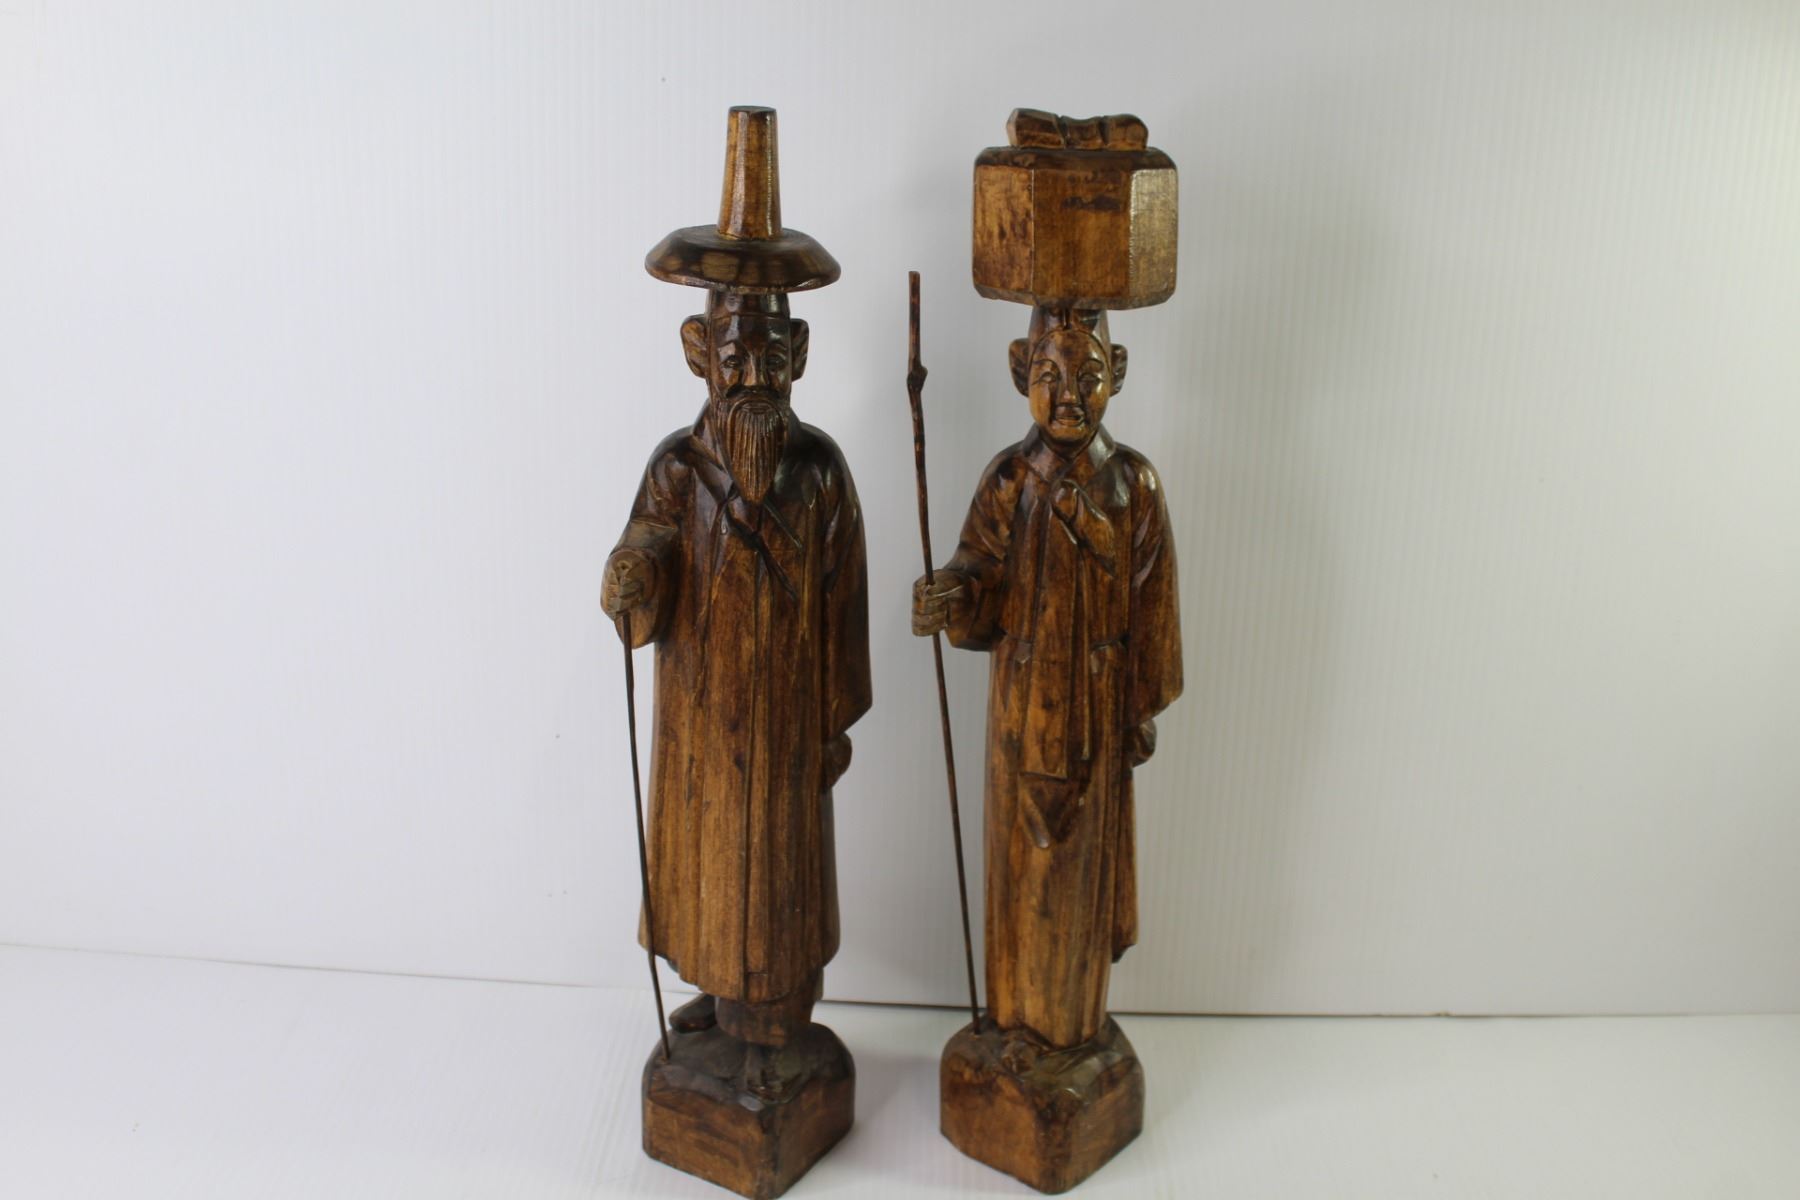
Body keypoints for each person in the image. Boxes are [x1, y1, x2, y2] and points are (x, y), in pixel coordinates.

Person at [604, 286, 870, 1091]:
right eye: (733, 359)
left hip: (788, 720)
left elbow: (845, 601)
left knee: (778, 874)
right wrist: (633, 572)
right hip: (701, 719)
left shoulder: (817, 471)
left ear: (801, 355)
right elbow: (647, 545)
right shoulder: (678, 470)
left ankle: (772, 1021)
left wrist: (834, 720)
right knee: (704, 859)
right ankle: (718, 988)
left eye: (773, 358)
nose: (754, 378)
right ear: (698, 354)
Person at [912, 305, 1182, 1050]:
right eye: (1047, 375)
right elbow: (977, 568)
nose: (1068, 395)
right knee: (1018, 867)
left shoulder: (1132, 484)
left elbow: (1154, 604)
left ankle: (1072, 1033)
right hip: (1021, 703)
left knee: (1080, 873)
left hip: (1097, 703)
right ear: (1017, 372)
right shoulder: (1009, 479)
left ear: (1117, 373)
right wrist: (950, 594)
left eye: (1087, 376)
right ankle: (1012, 1024)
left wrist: (1138, 706)